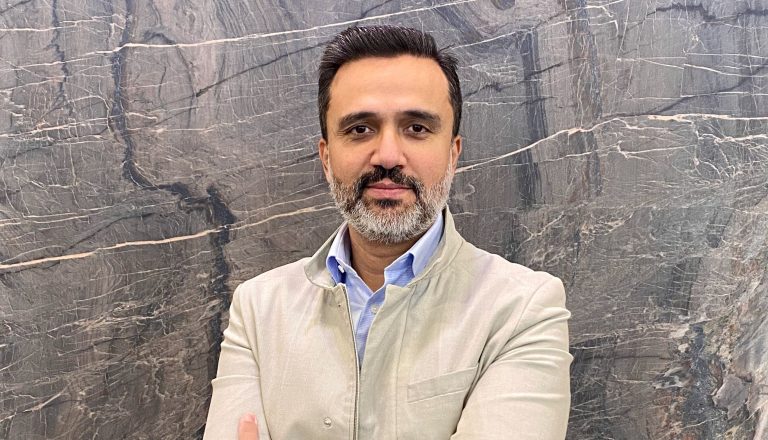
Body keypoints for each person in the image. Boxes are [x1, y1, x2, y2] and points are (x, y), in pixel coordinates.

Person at [204, 25, 572, 440]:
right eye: (360, 129)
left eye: (417, 128)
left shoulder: (522, 310)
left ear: (453, 154)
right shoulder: (257, 309)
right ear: (327, 158)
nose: (388, 156)